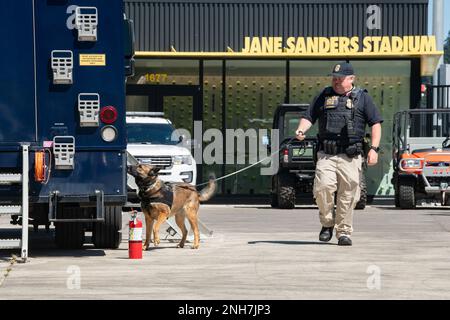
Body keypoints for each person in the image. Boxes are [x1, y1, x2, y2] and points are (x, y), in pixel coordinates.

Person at [295, 61, 383, 246]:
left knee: (348, 195)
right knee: (322, 188)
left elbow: (375, 123)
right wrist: (301, 130)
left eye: (340, 78)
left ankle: (343, 232)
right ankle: (327, 223)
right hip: (326, 154)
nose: (336, 81)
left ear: (351, 79)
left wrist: (374, 149)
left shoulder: (363, 98)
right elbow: (309, 116)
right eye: (334, 78)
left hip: (350, 156)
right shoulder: (324, 95)